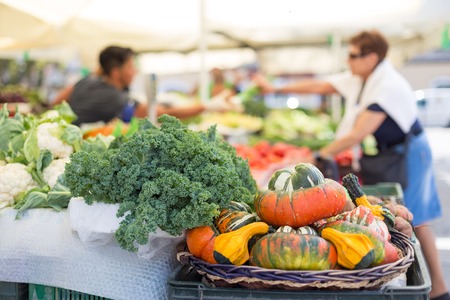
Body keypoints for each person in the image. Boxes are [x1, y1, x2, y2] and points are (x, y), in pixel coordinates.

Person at [254, 30, 448, 300]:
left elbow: (357, 133)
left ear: (371, 57)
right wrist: (275, 88)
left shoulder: (386, 85)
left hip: (410, 152)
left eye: (353, 56)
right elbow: (323, 86)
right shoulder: (364, 77)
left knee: (419, 217)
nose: (348, 61)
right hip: (390, 151)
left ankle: (438, 289)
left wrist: (319, 154)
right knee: (411, 216)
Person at [53, 46, 235, 126]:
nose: (135, 71)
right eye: (131, 67)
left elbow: (57, 101)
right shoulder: (114, 97)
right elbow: (157, 113)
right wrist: (207, 106)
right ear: (116, 72)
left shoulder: (87, 81)